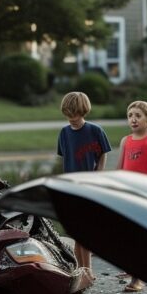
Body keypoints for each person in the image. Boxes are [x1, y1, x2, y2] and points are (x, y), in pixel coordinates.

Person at [57, 90, 111, 282]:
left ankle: (88, 269)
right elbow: (65, 158)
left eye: (76, 114)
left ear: (84, 111)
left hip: (89, 186)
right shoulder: (64, 133)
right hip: (71, 187)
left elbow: (104, 153)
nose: (72, 118)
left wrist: (99, 174)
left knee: (85, 231)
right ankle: (82, 269)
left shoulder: (95, 131)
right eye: (68, 114)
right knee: (75, 230)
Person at [116, 100, 147, 292]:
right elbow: (120, 168)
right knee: (131, 238)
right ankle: (136, 277)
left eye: (138, 116)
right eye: (130, 116)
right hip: (128, 196)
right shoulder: (125, 141)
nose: (133, 119)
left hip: (146, 195)